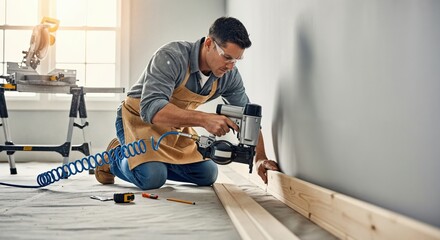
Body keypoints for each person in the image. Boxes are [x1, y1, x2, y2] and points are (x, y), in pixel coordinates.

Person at [95, 16, 279, 190]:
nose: (231, 66)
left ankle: (153, 161)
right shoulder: (171, 57)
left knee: (208, 174)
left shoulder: (228, 76)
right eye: (227, 57)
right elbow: (152, 109)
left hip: (175, 129)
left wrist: (260, 158)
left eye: (237, 60)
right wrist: (205, 120)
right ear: (209, 44)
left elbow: (248, 116)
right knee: (152, 177)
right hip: (137, 121)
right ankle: (114, 158)